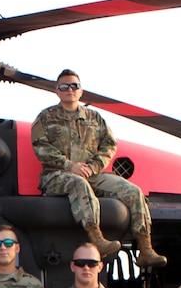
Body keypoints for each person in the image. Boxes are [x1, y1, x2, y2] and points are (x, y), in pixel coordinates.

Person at [31, 69, 166, 267]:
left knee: (132, 190)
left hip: (91, 173)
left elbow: (109, 145)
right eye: (63, 86)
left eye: (74, 86)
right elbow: (40, 147)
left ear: (80, 91)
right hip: (56, 175)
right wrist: (69, 165)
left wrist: (94, 167)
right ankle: (96, 237)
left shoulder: (95, 118)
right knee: (78, 183)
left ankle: (145, 248)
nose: (69, 89)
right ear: (57, 92)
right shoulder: (45, 117)